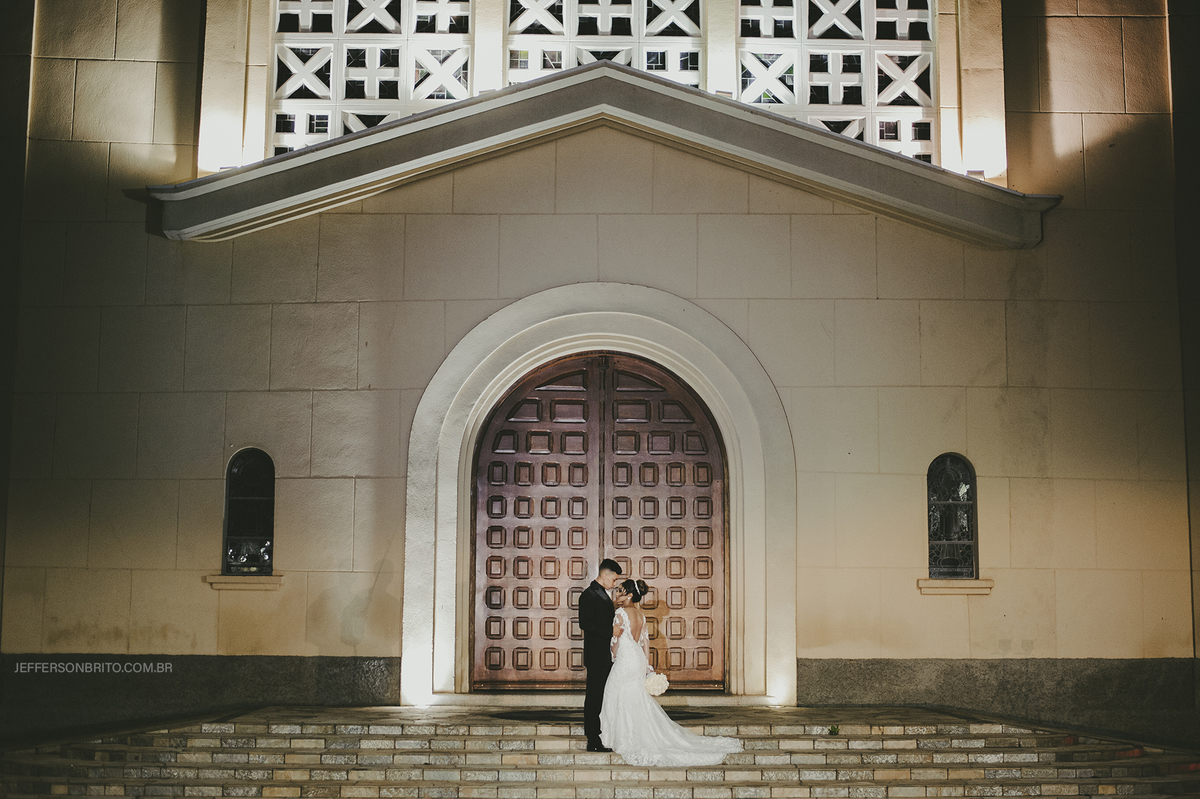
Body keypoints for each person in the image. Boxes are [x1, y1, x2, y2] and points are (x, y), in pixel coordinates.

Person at [599, 578, 742, 766]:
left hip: (625, 660)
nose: (616, 594)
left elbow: (615, 643)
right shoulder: (641, 615)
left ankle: (620, 737)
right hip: (638, 659)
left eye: (620, 591)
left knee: (615, 693)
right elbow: (645, 642)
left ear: (630, 595)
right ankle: (632, 734)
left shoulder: (620, 613)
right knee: (634, 697)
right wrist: (647, 665)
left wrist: (614, 652)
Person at [579, 558, 623, 751]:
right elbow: (585, 623)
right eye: (614, 579)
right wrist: (609, 631)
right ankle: (593, 739)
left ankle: (602, 733)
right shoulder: (588, 595)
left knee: (603, 695)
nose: (615, 583)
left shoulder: (602, 594)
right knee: (594, 697)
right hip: (596, 655)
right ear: (604, 575)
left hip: (605, 654)